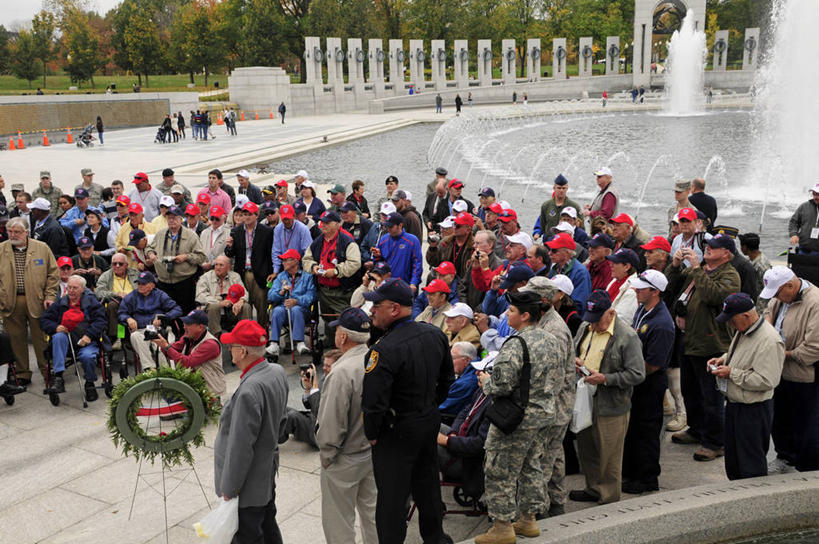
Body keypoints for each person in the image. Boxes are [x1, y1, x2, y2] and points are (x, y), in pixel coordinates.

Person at [361, 278, 454, 544]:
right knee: (427, 485)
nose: (371, 311)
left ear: (392, 309)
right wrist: (429, 406)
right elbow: (447, 379)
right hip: (427, 421)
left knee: (391, 497)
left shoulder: (384, 350)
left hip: (396, 429)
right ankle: (435, 537)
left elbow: (374, 401)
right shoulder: (434, 334)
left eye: (376, 305)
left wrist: (372, 433)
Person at [475, 290, 563, 542]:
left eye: (511, 311)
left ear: (525, 316)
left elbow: (502, 385)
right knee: (530, 465)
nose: (506, 314)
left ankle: (502, 527)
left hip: (516, 418)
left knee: (499, 469)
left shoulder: (516, 343)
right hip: (543, 414)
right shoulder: (551, 339)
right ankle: (528, 519)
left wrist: (486, 382)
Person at [666, 234, 740, 462]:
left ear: (726, 253)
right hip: (689, 339)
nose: (707, 249)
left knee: (712, 396)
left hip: (711, 343)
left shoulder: (730, 275)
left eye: (714, 248)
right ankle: (696, 429)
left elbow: (712, 296)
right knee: (690, 390)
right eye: (707, 246)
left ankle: (715, 442)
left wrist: (697, 267)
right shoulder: (701, 270)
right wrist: (676, 266)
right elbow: (670, 285)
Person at [215, 319, 288, 544]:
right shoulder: (276, 371)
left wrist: (230, 487)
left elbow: (240, 447)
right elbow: (282, 421)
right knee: (268, 525)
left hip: (249, 484)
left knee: (248, 535)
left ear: (243, 350)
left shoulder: (249, 390)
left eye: (232, 346)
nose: (230, 351)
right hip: (266, 472)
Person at [570, 290, 645, 505]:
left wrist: (605, 378)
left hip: (611, 404)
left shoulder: (626, 336)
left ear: (611, 313)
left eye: (597, 320)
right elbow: (577, 349)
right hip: (585, 397)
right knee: (587, 447)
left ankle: (609, 497)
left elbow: (638, 374)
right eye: (590, 320)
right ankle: (593, 488)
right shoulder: (586, 327)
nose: (592, 325)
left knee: (609, 454)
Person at [316, 308, 378, 544]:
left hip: (345, 456)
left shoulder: (341, 371)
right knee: (372, 515)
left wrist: (327, 455)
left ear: (343, 337)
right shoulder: (374, 359)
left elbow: (332, 423)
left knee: (338, 522)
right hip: (371, 450)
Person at [709, 293, 784, 480]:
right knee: (734, 463)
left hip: (753, 411)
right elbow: (743, 355)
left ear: (746, 316)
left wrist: (731, 373)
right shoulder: (744, 330)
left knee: (751, 466)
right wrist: (723, 359)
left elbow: (767, 380)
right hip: (736, 405)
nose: (730, 325)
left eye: (732, 320)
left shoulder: (769, 340)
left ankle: (753, 506)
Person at [622, 270, 675, 494]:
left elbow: (653, 364)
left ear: (655, 292)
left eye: (641, 288)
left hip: (650, 382)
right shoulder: (644, 311)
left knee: (647, 431)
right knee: (635, 430)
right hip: (639, 379)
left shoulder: (662, 323)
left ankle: (647, 478)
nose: (635, 291)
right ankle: (633, 472)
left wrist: (628, 372)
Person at [761, 267, 819, 473]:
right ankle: (784, 456)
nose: (776, 297)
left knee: (806, 423)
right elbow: (768, 311)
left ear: (790, 285)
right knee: (779, 418)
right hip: (778, 371)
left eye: (778, 293)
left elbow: (813, 348)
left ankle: (809, 469)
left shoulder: (815, 302)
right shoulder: (780, 297)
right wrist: (767, 328)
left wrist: (781, 353)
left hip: (804, 375)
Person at [0, 217, 59, 384]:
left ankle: (47, 371)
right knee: (16, 339)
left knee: (40, 339)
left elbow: (53, 274)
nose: (12, 235)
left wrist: (49, 296)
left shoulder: (42, 248)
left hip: (37, 300)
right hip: (10, 302)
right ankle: (22, 374)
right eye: (10, 231)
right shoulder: (1, 249)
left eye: (17, 232)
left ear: (26, 232)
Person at [40, 275, 106, 400]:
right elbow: (44, 320)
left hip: (87, 341)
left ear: (82, 289)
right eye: (69, 287)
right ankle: (58, 377)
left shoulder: (91, 302)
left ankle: (89, 384)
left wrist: (89, 335)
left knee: (87, 356)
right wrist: (55, 327)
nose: (71, 290)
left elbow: (101, 321)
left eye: (75, 288)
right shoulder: (61, 303)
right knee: (58, 336)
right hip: (67, 342)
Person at [152, 309, 226, 399]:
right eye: (184, 323)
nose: (184, 327)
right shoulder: (188, 337)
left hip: (210, 392)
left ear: (200, 327)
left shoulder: (210, 344)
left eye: (188, 324)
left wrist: (167, 347)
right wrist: (161, 342)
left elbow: (188, 362)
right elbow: (174, 348)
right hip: (194, 389)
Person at [145, 205, 206, 314]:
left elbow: (201, 257)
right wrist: (151, 254)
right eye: (169, 218)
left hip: (184, 282)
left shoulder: (191, 235)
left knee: (185, 313)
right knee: (165, 313)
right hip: (163, 282)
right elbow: (149, 247)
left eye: (174, 217)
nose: (171, 220)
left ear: (181, 219)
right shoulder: (160, 234)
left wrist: (186, 257)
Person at [118, 271, 182, 369]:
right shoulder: (132, 296)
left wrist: (163, 317)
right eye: (138, 283)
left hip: (159, 329)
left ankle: (167, 371)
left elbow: (177, 310)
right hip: (141, 329)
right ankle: (149, 369)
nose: (140, 286)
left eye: (143, 284)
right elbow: (121, 313)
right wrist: (128, 318)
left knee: (160, 348)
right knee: (135, 336)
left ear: (152, 285)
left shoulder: (160, 295)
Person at [225, 202, 275, 325]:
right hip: (242, 273)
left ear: (257, 215)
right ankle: (246, 334)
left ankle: (263, 334)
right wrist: (229, 246)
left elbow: (270, 254)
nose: (246, 217)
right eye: (244, 214)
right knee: (245, 306)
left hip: (260, 274)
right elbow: (229, 254)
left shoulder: (266, 231)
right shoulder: (236, 231)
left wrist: (271, 273)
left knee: (262, 307)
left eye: (249, 214)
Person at [266, 249, 316, 356]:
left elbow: (311, 296)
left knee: (296, 309)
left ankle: (300, 343)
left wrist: (296, 301)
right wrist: (281, 292)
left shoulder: (307, 276)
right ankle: (274, 344)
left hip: (302, 309)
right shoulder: (281, 276)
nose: (282, 263)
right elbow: (270, 295)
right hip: (284, 308)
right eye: (282, 261)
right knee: (277, 311)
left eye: (285, 260)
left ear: (295, 262)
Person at [195, 255, 251, 336]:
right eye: (216, 265)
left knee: (246, 306)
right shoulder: (205, 277)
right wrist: (219, 302)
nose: (218, 267)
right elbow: (200, 296)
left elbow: (245, 292)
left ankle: (244, 335)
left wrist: (241, 301)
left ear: (228, 267)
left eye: (221, 265)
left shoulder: (235, 276)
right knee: (214, 306)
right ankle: (215, 336)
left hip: (232, 310)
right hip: (213, 311)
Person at [95, 252, 139, 343]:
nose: (117, 266)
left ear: (126, 265)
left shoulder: (135, 273)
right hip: (117, 302)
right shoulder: (106, 276)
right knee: (112, 306)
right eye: (114, 264)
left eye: (120, 264)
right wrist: (116, 294)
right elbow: (98, 292)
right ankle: (118, 336)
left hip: (135, 301)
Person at [373, 213, 422, 292]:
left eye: (391, 227)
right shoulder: (383, 240)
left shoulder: (412, 240)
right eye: (387, 226)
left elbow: (417, 264)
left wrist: (413, 283)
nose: (388, 229)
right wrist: (377, 257)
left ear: (400, 225)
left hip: (405, 285)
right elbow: (379, 265)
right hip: (387, 285)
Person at [547, 232, 592, 313]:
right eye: (549, 249)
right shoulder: (554, 268)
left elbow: (579, 305)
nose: (549, 253)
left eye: (554, 250)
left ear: (567, 253)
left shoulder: (580, 273)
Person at [439, 341, 479, 418]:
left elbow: (442, 407)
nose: (449, 362)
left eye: (452, 358)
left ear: (467, 360)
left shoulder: (466, 383)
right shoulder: (472, 372)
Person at [605, 248, 640, 324]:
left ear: (626, 267)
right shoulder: (615, 281)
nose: (611, 265)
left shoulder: (633, 291)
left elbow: (623, 320)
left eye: (615, 262)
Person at [738, 232, 771, 312]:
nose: (740, 248)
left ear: (745, 247)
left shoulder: (762, 266)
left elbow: (769, 289)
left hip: (761, 309)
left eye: (741, 246)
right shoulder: (750, 261)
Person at [199, 205, 229, 271]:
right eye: (212, 218)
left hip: (222, 269)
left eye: (217, 218)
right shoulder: (204, 232)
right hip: (205, 269)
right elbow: (200, 250)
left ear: (224, 218)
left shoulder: (229, 233)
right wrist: (203, 263)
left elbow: (228, 254)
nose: (214, 221)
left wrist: (213, 263)